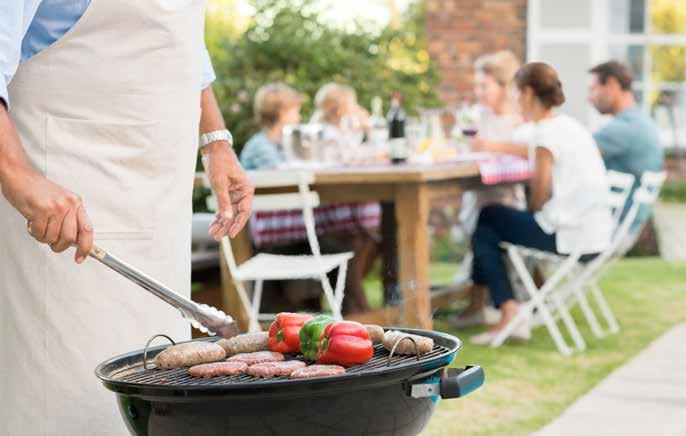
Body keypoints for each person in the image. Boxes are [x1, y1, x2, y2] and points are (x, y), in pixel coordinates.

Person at [0, 2, 253, 435]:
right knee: (71, 400)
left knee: (156, 394)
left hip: (161, 202)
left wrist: (214, 140)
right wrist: (18, 175)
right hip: (64, 205)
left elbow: (182, 39)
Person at [469, 62, 613, 345]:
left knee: (486, 218)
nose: (515, 100)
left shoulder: (546, 136)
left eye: (517, 93)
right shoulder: (569, 125)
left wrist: (527, 214)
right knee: (492, 223)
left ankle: (507, 311)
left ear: (529, 93)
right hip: (594, 235)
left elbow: (538, 193)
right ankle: (502, 308)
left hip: (570, 236)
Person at [240, 82, 373, 314]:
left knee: (343, 240)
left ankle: (354, 314)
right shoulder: (261, 147)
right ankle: (357, 316)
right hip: (272, 239)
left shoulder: (284, 144)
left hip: (292, 233)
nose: (300, 116)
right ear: (281, 113)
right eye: (295, 110)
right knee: (339, 243)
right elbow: (287, 181)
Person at [451, 50, 529, 327]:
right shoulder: (475, 115)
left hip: (508, 197)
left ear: (504, 86)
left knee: (484, 232)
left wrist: (491, 146)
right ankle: (478, 306)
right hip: (478, 193)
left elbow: (530, 153)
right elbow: (459, 143)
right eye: (477, 86)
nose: (479, 91)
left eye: (485, 86)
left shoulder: (520, 120)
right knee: (481, 229)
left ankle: (490, 306)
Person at [588, 61, 664, 227]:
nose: (589, 98)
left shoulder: (624, 127)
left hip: (608, 226)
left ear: (612, 85)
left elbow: (572, 155)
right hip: (625, 224)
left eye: (593, 89)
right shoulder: (641, 122)